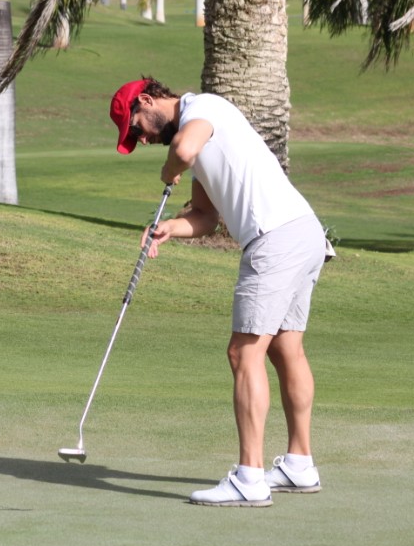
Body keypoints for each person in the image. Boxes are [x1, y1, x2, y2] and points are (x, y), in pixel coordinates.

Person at [108, 76, 332, 507]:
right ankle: (300, 465)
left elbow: (182, 151)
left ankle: (249, 478)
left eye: (137, 127)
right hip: (300, 232)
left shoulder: (201, 108)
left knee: (242, 352)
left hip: (276, 238)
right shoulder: (202, 129)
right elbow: (207, 217)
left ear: (149, 100)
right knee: (286, 349)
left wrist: (169, 169)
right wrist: (171, 226)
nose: (143, 138)